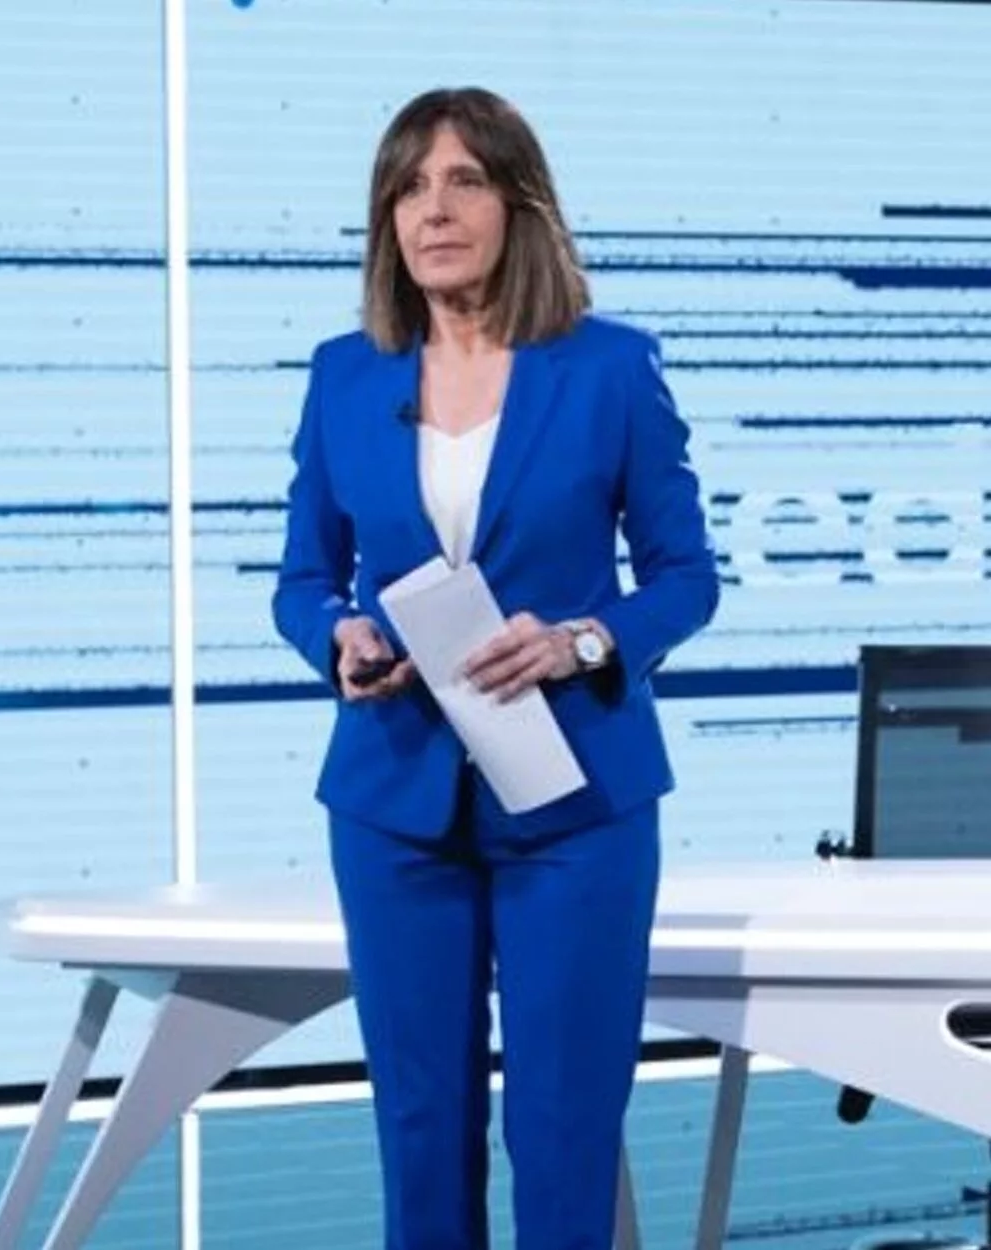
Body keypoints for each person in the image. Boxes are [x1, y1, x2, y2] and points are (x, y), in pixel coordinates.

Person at [271, 87, 720, 1250]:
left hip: (574, 803)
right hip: (393, 800)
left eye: (462, 180)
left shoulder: (608, 368)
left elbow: (683, 576)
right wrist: (337, 636)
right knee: (420, 1128)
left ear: (519, 203)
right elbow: (300, 579)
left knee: (562, 1131)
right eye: (406, 188)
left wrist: (581, 639)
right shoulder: (342, 375)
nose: (431, 209)